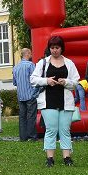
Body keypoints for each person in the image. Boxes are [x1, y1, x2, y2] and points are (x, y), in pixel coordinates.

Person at [30, 35, 80, 167]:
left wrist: (66, 82)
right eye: (52, 48)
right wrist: (46, 81)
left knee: (65, 129)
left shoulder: (69, 63)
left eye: (57, 48)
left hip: (65, 101)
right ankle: (50, 158)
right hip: (48, 101)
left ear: (61, 48)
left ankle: (67, 158)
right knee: (51, 129)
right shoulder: (43, 63)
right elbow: (33, 79)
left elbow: (75, 82)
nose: (55, 50)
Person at [12, 49, 38, 142]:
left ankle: (23, 137)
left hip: (21, 95)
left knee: (22, 116)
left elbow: (14, 83)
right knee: (31, 116)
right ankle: (31, 136)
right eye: (31, 53)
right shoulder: (31, 65)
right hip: (30, 94)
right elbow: (35, 79)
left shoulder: (15, 67)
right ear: (28, 54)